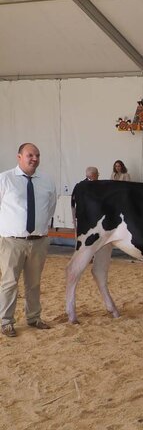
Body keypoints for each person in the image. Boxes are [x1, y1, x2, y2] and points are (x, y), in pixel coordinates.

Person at [0, 143, 57, 337]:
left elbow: (50, 208)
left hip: (38, 241)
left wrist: (40, 230)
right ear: (19, 157)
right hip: (11, 242)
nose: (35, 159)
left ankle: (33, 318)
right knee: (9, 283)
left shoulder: (47, 181)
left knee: (34, 283)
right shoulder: (4, 179)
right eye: (30, 155)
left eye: (37, 155)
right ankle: (6, 321)